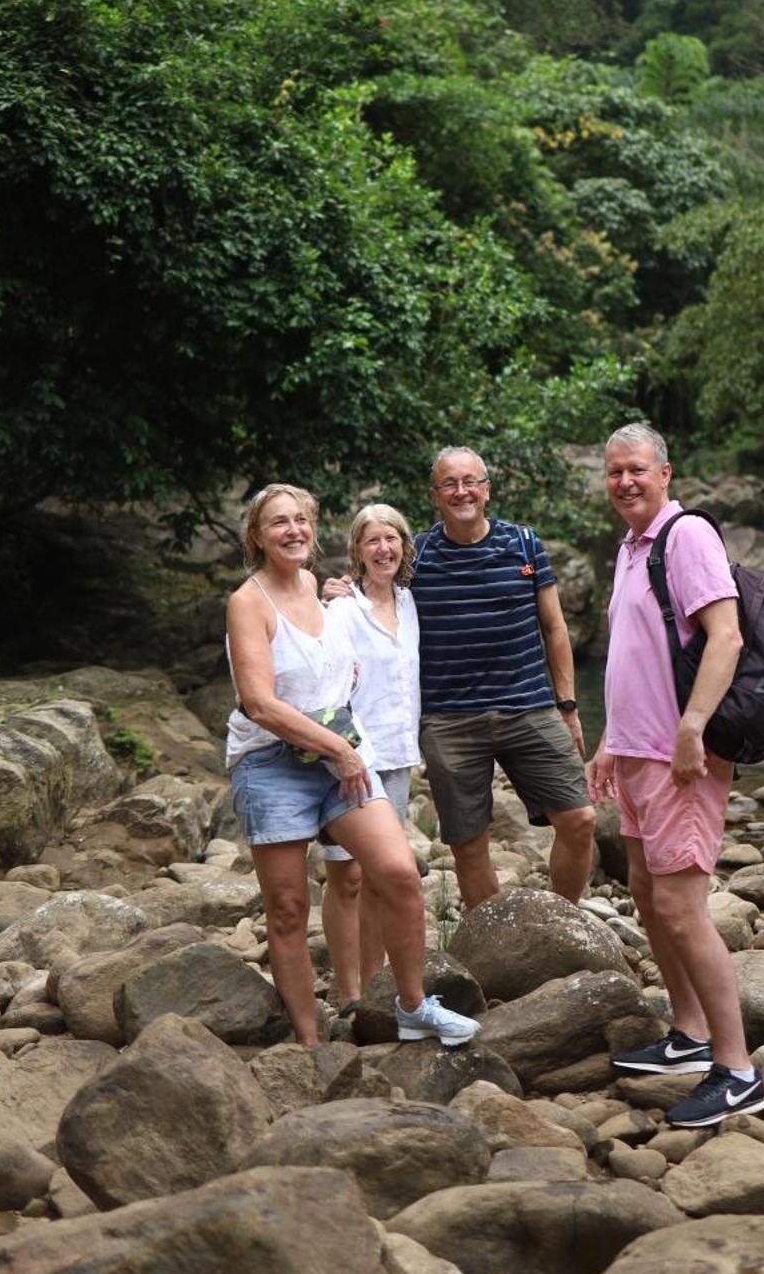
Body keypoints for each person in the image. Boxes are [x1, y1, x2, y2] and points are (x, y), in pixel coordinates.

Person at [225, 483, 479, 1050]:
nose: (292, 531)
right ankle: (311, 1043)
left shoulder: (319, 588)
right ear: (257, 537)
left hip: (338, 752)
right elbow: (259, 703)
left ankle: (412, 1007)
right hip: (272, 761)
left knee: (398, 873)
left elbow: (329, 662)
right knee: (289, 908)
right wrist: (339, 748)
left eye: (301, 521)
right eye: (278, 523)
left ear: (313, 529)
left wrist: (344, 695)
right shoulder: (247, 602)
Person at [587, 422, 764, 1126]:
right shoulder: (631, 547)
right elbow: (635, 654)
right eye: (613, 472)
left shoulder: (686, 535)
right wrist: (608, 739)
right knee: (644, 891)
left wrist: (692, 727)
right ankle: (690, 1038)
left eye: (635, 469)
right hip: (634, 751)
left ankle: (736, 1068)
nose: (624, 481)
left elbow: (725, 635)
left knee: (680, 909)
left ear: (665, 472)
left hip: (677, 756)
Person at [412, 445, 595, 911]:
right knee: (469, 845)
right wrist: (336, 589)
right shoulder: (415, 557)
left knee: (579, 819)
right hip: (449, 719)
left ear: (487, 489)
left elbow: (554, 628)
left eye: (470, 481)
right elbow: (370, 594)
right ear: (436, 496)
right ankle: (493, 943)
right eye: (449, 484)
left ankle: (559, 919)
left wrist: (567, 705)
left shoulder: (526, 545)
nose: (461, 491)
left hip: (529, 707)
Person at [316, 503, 422, 1015]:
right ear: (357, 551)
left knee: (382, 874)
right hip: (352, 755)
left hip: (398, 752)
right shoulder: (341, 610)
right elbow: (329, 685)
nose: (384, 548)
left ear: (403, 546)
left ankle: (376, 985)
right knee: (346, 875)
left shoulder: (409, 602)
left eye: (392, 539)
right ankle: (348, 989)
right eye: (373, 540)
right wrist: (342, 754)